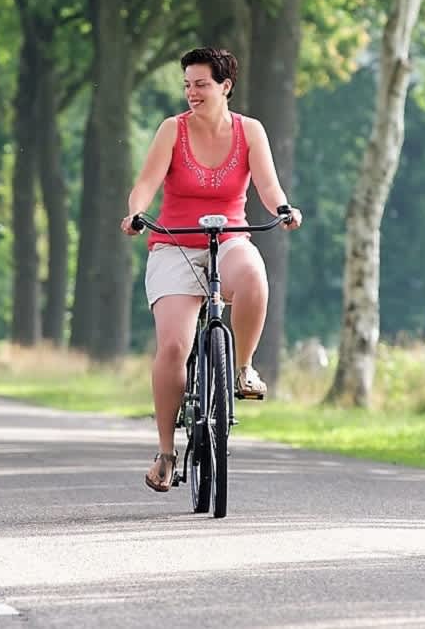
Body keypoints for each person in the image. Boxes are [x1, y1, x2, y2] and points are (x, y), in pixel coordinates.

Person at [119, 47, 302, 493]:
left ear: (225, 86)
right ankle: (166, 451)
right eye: (187, 85)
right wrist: (136, 212)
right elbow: (146, 182)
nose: (191, 93)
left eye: (201, 84)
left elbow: (267, 183)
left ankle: (242, 368)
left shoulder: (250, 131)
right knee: (173, 346)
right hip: (175, 244)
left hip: (229, 238)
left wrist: (282, 208)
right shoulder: (172, 130)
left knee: (254, 275)